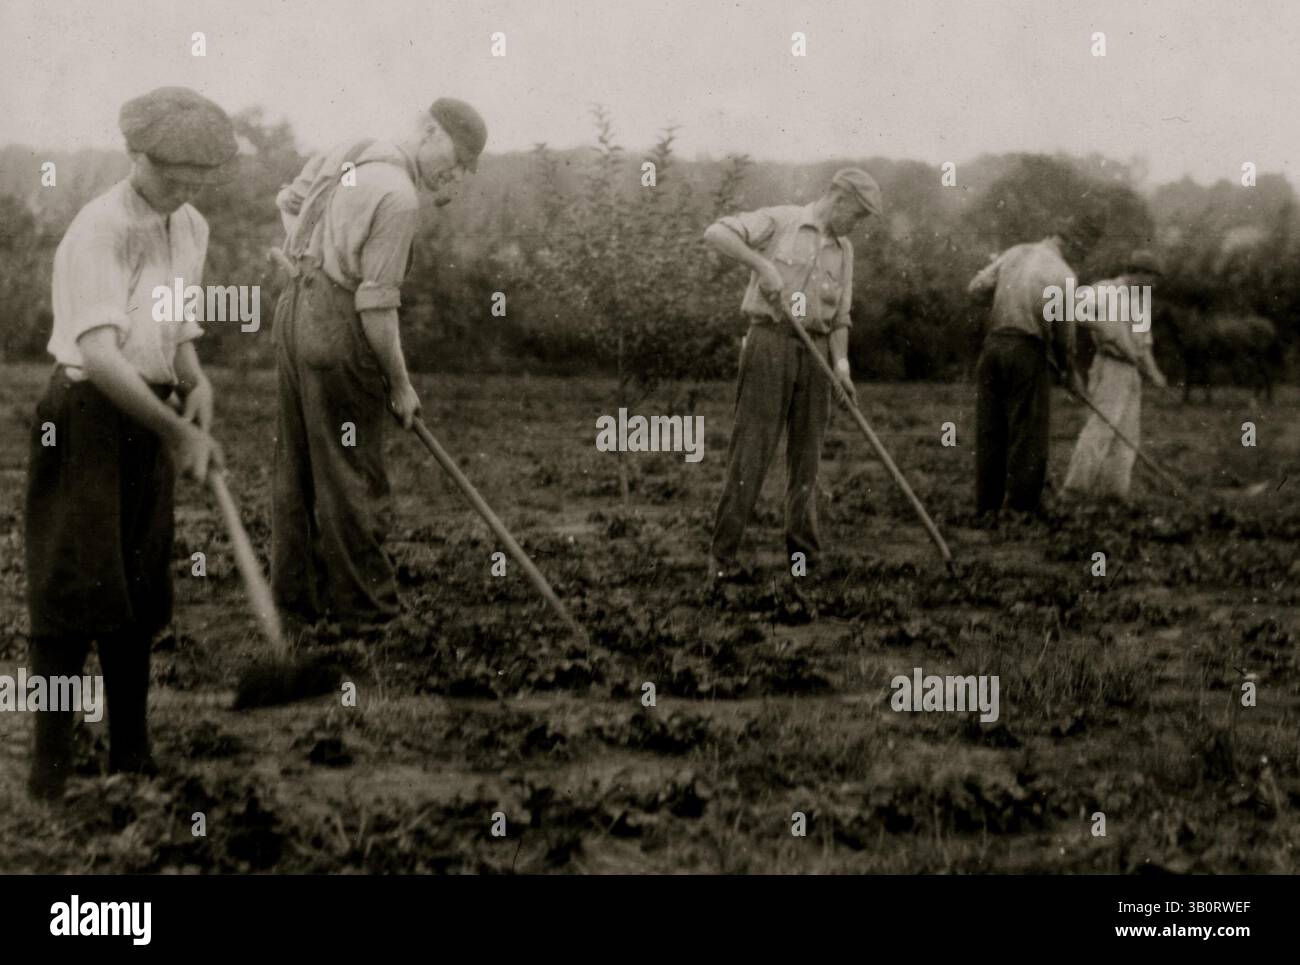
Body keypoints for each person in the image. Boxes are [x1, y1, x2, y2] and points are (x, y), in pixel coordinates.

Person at [24, 86, 233, 800]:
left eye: (201, 175)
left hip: (148, 412)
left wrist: (195, 383)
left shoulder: (191, 225)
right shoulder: (100, 228)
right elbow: (102, 354)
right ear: (135, 154)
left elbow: (173, 333)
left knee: (140, 590)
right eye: (174, 171)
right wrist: (175, 429)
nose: (186, 186)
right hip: (86, 413)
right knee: (72, 589)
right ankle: (48, 772)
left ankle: (131, 756)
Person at [271, 99, 486, 635]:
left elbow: (288, 200)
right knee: (352, 471)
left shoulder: (353, 150)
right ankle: (368, 613)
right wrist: (400, 384)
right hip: (337, 325)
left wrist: (302, 252)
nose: (453, 175)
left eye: (462, 170)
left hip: (294, 310)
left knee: (297, 467)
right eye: (455, 159)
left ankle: (298, 607)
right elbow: (376, 305)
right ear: (430, 132)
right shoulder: (399, 197)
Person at [705, 168, 881, 579]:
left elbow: (841, 318)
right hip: (770, 342)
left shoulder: (845, 250)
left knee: (807, 460)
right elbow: (715, 233)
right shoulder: (781, 221)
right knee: (752, 451)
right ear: (838, 199)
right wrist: (762, 267)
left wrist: (842, 368)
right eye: (856, 215)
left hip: (818, 352)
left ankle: (803, 560)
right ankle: (722, 559)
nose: (856, 226)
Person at [968, 222, 1093, 516]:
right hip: (1026, 351)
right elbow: (1065, 336)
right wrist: (1068, 371)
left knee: (991, 430)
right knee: (1028, 432)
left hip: (993, 346)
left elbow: (975, 289)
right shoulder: (1064, 275)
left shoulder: (1015, 252)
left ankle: (986, 507)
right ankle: (1021, 510)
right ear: (1071, 245)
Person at [1063, 250, 1167, 497]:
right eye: (1152, 277)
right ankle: (1074, 489)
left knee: (1128, 435)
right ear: (1138, 273)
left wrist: (1155, 373)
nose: (1154, 284)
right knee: (1102, 428)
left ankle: (1113, 494)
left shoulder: (1143, 300)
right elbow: (1070, 308)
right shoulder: (1105, 289)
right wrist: (1100, 325)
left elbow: (1143, 346)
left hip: (1131, 372)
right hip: (1109, 366)